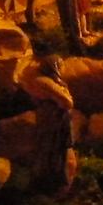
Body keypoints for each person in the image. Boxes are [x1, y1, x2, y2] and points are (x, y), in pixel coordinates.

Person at [19, 55, 76, 193]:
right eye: (61, 66)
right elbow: (67, 102)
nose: (63, 69)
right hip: (53, 120)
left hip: (51, 118)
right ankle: (50, 182)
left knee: (51, 149)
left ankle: (49, 179)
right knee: (52, 149)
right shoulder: (46, 83)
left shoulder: (46, 81)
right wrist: (64, 95)